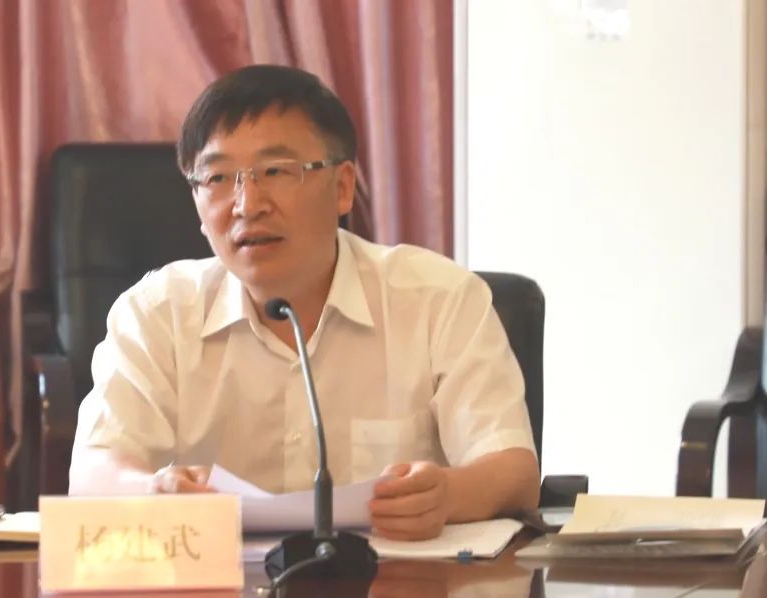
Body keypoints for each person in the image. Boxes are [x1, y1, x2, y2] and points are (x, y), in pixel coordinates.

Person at [69, 64, 539, 541]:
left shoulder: (439, 298)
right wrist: (151, 492)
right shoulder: (156, 314)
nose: (247, 204)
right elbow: (94, 472)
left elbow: (513, 471)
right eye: (218, 177)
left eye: (276, 171)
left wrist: (447, 495)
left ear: (342, 187)